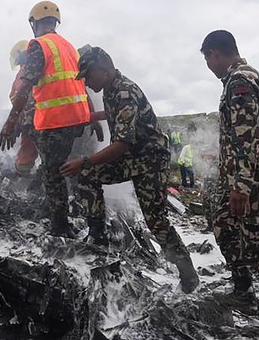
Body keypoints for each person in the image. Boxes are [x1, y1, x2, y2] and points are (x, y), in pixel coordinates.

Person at [59, 46, 199, 293]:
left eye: (88, 76)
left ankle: (189, 276)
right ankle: (97, 237)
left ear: (103, 69)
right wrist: (93, 116)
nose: (87, 83)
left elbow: (123, 143)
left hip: (150, 162)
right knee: (88, 176)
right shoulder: (111, 88)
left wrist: (86, 161)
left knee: (156, 221)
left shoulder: (125, 91)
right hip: (131, 159)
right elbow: (115, 113)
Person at [200, 30, 259, 339]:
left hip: (255, 184)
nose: (208, 66)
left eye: (207, 59)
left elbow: (246, 137)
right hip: (243, 180)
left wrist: (241, 185)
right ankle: (243, 292)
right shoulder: (241, 78)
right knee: (222, 224)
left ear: (215, 53)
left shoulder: (240, 81)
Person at [0, 1, 102, 237]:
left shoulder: (39, 45)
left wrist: (10, 122)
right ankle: (94, 226)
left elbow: (25, 86)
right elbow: (81, 84)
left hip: (55, 121)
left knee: (53, 175)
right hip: (77, 120)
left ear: (34, 23)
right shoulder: (69, 47)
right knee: (68, 168)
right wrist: (92, 116)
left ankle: (60, 228)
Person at [8, 40, 39, 176]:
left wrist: (14, 123)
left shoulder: (26, 72)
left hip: (31, 119)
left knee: (25, 158)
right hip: (33, 118)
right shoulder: (30, 70)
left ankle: (23, 178)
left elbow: (21, 96)